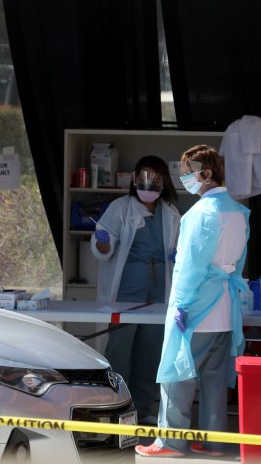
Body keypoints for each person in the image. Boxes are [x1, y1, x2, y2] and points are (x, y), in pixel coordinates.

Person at [136, 144, 250, 458]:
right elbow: (238, 265)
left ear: (206, 174)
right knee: (214, 381)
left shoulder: (200, 214)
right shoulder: (239, 213)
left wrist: (180, 307)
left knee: (177, 375)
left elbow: (190, 267)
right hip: (226, 308)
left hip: (198, 309)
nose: (184, 178)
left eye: (188, 173)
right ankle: (214, 443)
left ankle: (170, 442)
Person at [90, 155, 180, 425]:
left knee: (151, 349)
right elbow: (102, 250)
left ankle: (142, 406)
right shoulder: (121, 208)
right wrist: (103, 241)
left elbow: (177, 251)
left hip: (158, 288)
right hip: (127, 288)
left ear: (164, 182)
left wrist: (178, 254)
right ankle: (115, 405)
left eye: (156, 180)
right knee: (119, 347)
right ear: (135, 179)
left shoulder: (170, 212)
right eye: (144, 179)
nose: (149, 185)